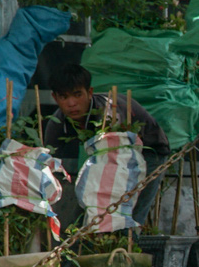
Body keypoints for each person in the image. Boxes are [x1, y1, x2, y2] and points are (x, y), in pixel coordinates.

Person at [39, 63, 170, 228]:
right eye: (64, 97)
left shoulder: (108, 115)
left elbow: (119, 162)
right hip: (106, 159)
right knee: (89, 210)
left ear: (90, 92)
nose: (71, 103)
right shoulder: (58, 123)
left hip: (148, 153)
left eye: (77, 94)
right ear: (55, 98)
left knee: (128, 214)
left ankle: (127, 246)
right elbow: (48, 163)